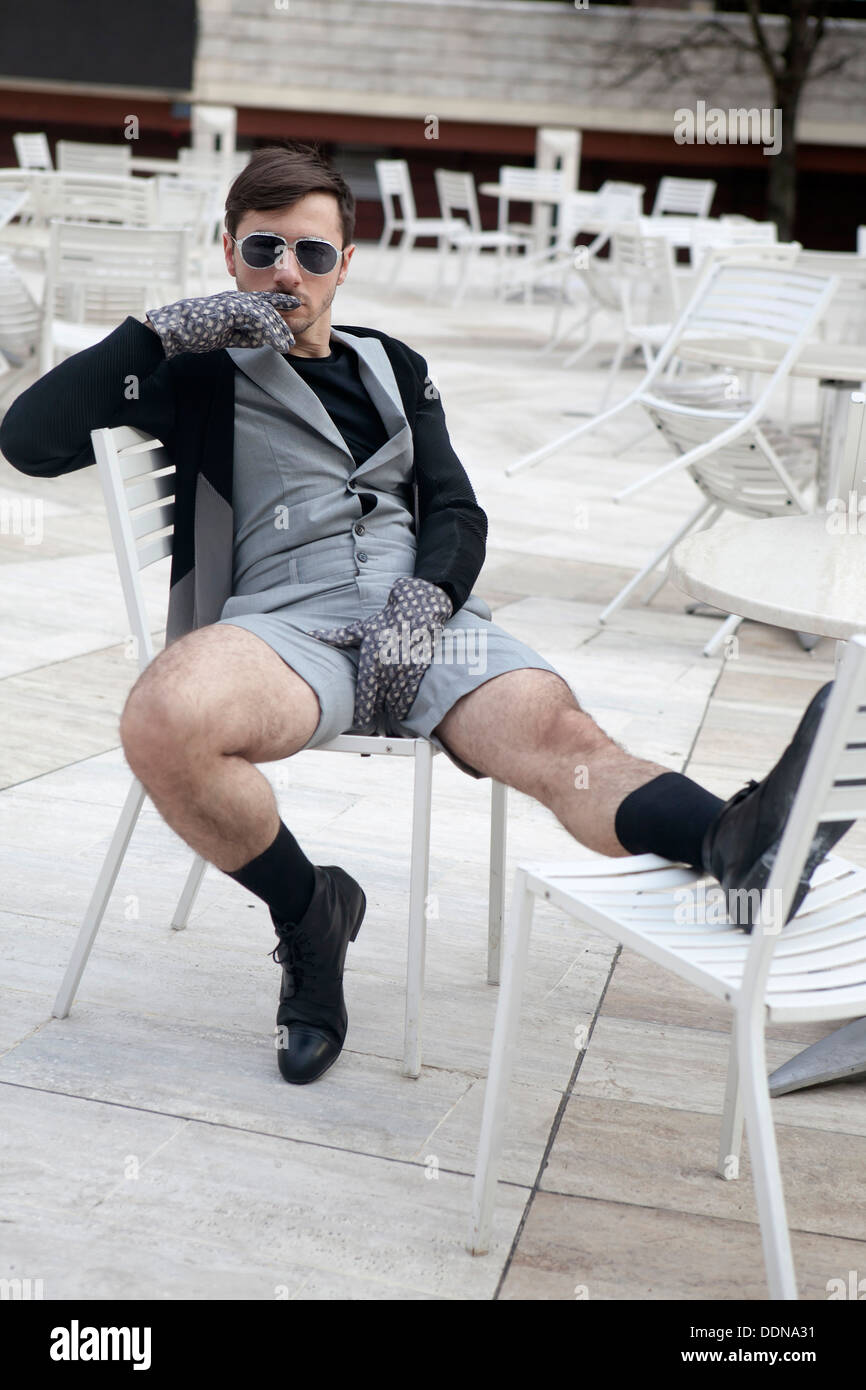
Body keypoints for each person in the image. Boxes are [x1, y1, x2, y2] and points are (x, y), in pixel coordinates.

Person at [0, 142, 848, 1087]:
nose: (287, 274)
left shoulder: (394, 365)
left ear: (345, 266)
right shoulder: (196, 372)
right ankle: (308, 913)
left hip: (425, 614)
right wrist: (162, 331)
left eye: (312, 255)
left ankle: (729, 844)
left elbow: (457, 509)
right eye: (263, 249)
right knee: (162, 718)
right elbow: (25, 441)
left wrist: (427, 597)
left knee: (562, 737)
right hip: (282, 624)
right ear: (228, 253)